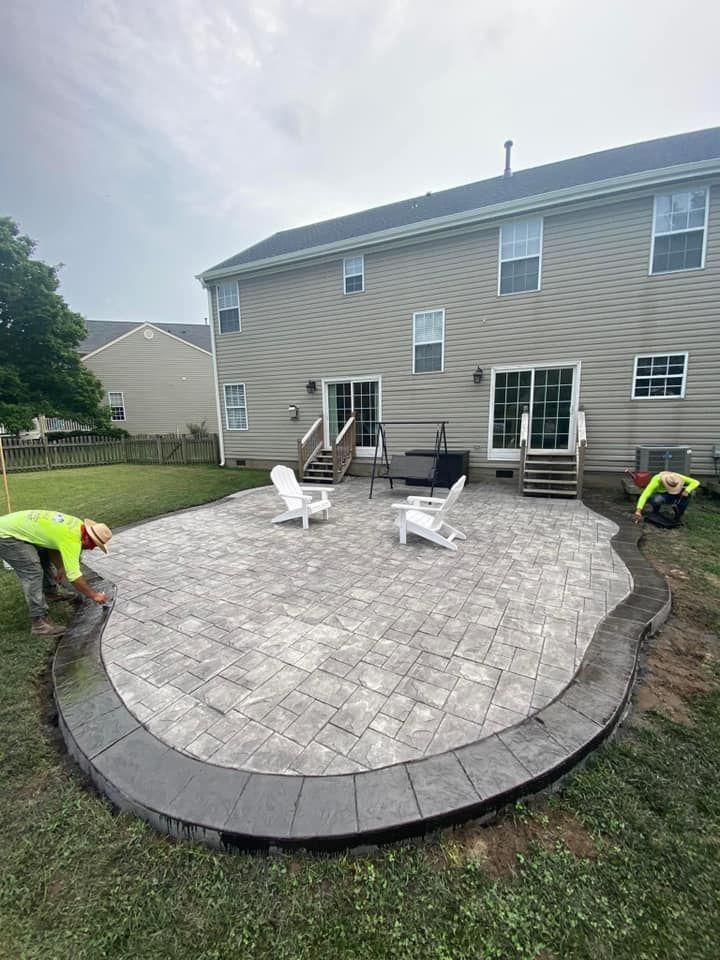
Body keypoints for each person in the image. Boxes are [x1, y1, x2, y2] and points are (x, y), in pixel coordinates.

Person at [0, 510, 111, 636]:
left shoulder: (76, 525)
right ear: (87, 538)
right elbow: (74, 576)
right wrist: (94, 595)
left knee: (43, 556)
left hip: (14, 528)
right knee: (32, 571)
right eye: (93, 545)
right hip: (6, 536)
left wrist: (60, 567)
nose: (92, 548)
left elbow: (52, 545)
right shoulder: (72, 539)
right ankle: (39, 623)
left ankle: (50, 593)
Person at [633, 470, 700, 524]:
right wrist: (638, 511)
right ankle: (655, 511)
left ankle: (679, 515)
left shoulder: (677, 477)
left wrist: (687, 490)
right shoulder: (656, 480)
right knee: (656, 500)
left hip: (676, 494)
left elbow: (696, 482)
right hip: (662, 495)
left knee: (686, 497)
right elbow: (644, 495)